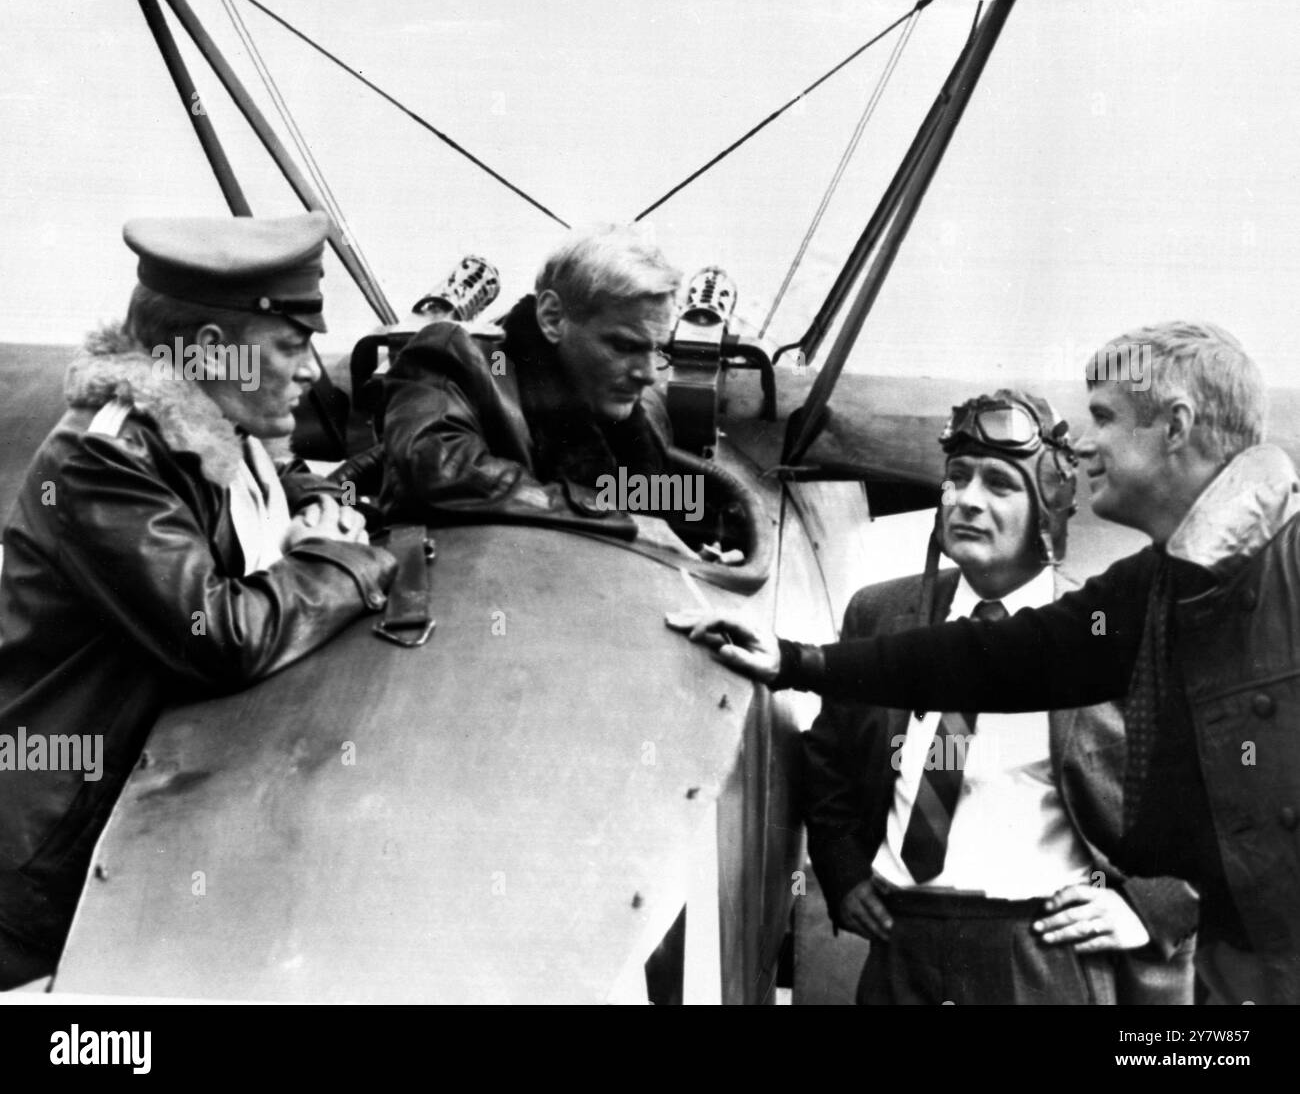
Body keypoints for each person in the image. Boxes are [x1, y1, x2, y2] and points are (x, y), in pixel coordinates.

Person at [670, 321, 1300, 1004]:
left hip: (1057, 955)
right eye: (958, 479)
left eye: (1104, 417)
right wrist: (798, 660)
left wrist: (1152, 908)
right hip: (913, 943)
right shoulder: (1150, 592)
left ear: (1175, 427)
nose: (1087, 442)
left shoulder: (1281, 574)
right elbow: (986, 662)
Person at [0, 213, 398, 989]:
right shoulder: (103, 458)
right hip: (45, 855)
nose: (312, 370)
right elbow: (219, 634)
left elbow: (261, 480)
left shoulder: (208, 426)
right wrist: (341, 563)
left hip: (132, 810)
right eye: (290, 345)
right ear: (212, 351)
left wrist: (315, 497)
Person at [803, 389, 1197, 1005]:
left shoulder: (1111, 631)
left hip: (1041, 956)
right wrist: (844, 870)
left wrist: (1154, 908)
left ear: (1048, 510)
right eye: (957, 478)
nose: (966, 500)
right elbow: (826, 757)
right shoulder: (881, 614)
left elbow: (1224, 791)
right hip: (901, 949)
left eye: (998, 484)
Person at [379, 225, 696, 555]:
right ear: (553, 317)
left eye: (656, 350)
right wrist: (618, 518)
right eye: (623, 345)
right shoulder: (454, 357)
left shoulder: (637, 411)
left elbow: (665, 517)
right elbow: (440, 472)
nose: (646, 374)